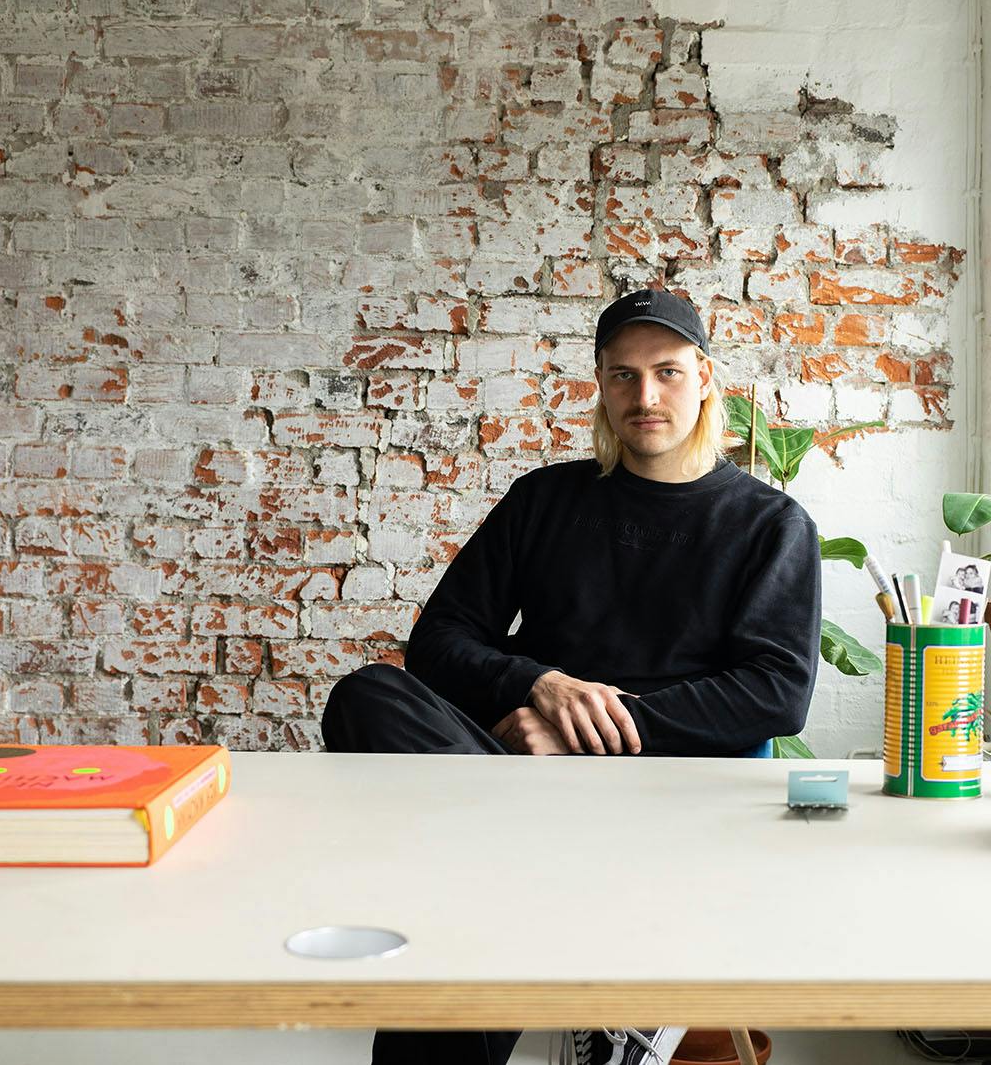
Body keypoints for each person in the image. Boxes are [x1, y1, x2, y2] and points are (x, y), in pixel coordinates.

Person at [321, 287, 823, 1065]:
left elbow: (776, 692)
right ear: (600, 383)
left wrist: (586, 740)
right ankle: (525, 879)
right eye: (622, 375)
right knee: (366, 695)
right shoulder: (545, 500)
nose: (645, 395)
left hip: (665, 798)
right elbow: (438, 642)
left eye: (666, 372)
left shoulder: (768, 524)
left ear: (706, 377)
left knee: (472, 919)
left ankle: (508, 888)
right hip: (517, 782)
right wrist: (541, 685)